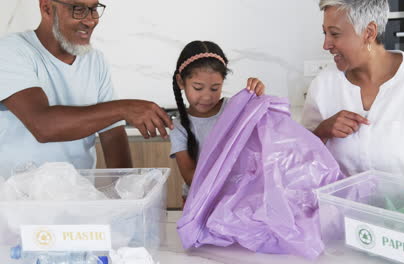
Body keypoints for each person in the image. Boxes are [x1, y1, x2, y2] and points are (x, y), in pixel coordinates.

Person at [301, 0, 404, 185]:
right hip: (345, 212)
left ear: (369, 32)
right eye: (325, 33)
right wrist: (323, 131)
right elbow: (299, 162)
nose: (326, 44)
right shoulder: (323, 85)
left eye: (335, 34)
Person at [0, 0, 173, 177]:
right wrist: (124, 108)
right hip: (18, 199)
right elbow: (43, 126)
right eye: (78, 9)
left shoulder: (95, 60)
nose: (90, 20)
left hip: (79, 196)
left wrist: (126, 192)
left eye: (93, 9)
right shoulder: (11, 51)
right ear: (46, 8)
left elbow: (112, 134)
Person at [170, 40, 265, 201]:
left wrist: (259, 97)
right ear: (181, 82)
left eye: (215, 88)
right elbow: (191, 179)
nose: (207, 96)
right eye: (198, 88)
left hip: (233, 198)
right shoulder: (179, 127)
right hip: (197, 201)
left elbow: (264, 130)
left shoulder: (235, 109)